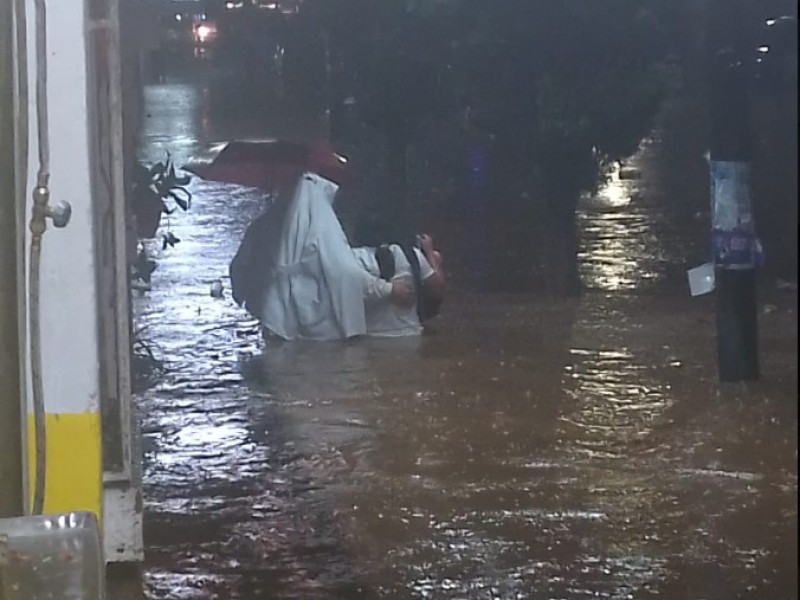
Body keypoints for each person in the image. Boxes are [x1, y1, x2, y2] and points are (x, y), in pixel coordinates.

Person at [230, 172, 415, 341]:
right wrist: (389, 290)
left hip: (275, 323)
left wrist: (263, 299)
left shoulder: (261, 226)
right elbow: (345, 273)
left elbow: (239, 270)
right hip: (319, 333)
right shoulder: (320, 228)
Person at [352, 233, 445, 337]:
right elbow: (437, 288)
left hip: (369, 338)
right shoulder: (411, 254)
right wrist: (431, 254)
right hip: (410, 335)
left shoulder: (352, 258)